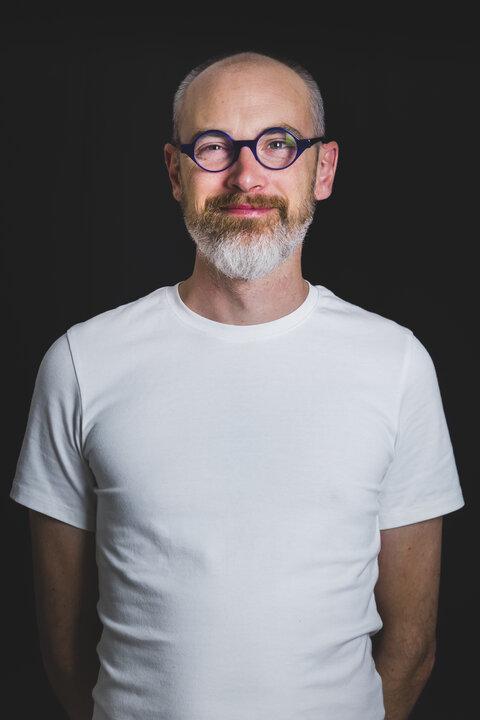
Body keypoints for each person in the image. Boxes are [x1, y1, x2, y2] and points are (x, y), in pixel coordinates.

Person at [10, 50, 465, 720]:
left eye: (278, 144)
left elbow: (413, 647)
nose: (246, 176)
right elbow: (62, 650)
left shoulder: (397, 364)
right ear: (175, 172)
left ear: (323, 169)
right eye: (214, 147)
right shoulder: (82, 362)